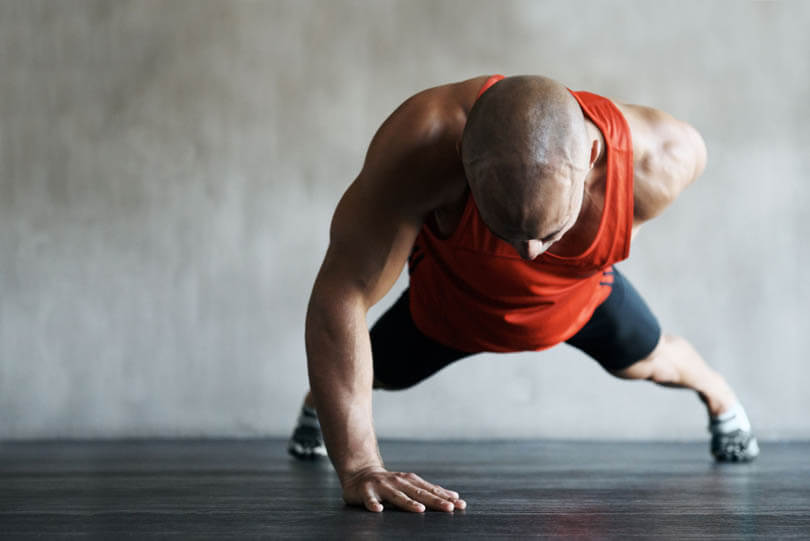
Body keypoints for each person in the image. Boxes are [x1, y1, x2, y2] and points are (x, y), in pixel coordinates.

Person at [289, 74, 759, 514]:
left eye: (549, 233)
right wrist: (359, 466)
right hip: (451, 305)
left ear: (591, 157)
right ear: (462, 162)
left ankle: (720, 396)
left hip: (579, 298)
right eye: (508, 231)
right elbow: (343, 292)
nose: (530, 253)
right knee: (374, 372)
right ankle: (319, 402)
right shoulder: (420, 148)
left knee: (653, 360)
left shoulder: (662, 159)